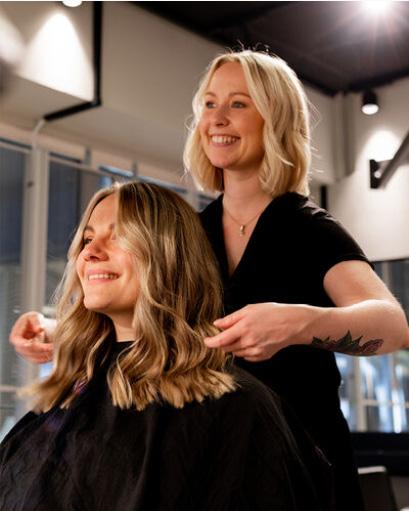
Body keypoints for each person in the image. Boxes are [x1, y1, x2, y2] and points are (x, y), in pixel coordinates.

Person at [9, 50, 409, 509]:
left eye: (238, 104)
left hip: (297, 466)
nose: (216, 118)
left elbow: (393, 327)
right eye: (209, 104)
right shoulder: (194, 232)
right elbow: (156, 320)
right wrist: (59, 331)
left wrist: (298, 324)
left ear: (276, 118)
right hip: (209, 451)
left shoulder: (309, 230)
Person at [2, 181, 326, 511]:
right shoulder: (75, 392)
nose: (90, 252)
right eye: (87, 239)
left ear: (168, 254)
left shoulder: (237, 408)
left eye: (119, 236)